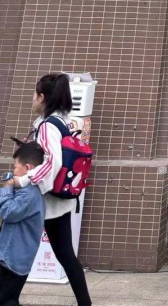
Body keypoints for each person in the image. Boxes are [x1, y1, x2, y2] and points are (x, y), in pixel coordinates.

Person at [14, 73, 92, 306]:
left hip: (46, 201)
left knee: (19, 249)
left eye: (34, 94)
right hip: (59, 201)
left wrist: (24, 180)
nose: (32, 99)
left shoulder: (48, 125)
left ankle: (7, 298)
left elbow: (52, 163)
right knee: (64, 254)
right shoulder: (62, 120)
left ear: (42, 97)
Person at [0, 142, 46, 306]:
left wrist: (6, 188)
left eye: (15, 167)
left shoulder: (28, 194)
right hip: (16, 258)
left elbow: (8, 212)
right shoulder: (30, 191)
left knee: (6, 300)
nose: (13, 171)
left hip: (11, 260)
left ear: (27, 168)